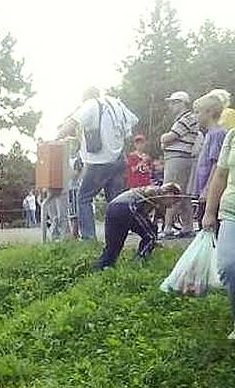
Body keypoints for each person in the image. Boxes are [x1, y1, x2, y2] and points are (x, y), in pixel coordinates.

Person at [57, 87, 139, 241]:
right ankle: (117, 238)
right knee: (115, 201)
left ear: (86, 97)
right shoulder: (116, 103)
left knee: (83, 197)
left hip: (100, 160)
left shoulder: (91, 105)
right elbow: (134, 120)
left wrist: (55, 139)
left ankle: (89, 238)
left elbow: (71, 123)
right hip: (119, 158)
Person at [96, 183, 182, 270]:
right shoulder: (155, 192)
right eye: (174, 201)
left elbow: (151, 223)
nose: (172, 206)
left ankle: (102, 266)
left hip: (113, 207)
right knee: (150, 237)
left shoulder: (152, 196)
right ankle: (138, 262)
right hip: (127, 206)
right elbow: (149, 196)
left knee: (114, 244)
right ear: (170, 194)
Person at [202, 128, 235, 338]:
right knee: (228, 266)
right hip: (231, 211)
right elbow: (220, 174)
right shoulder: (232, 135)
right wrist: (209, 212)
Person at [161, 90, 200, 238]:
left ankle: (168, 228)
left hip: (178, 157)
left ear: (181, 103)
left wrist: (163, 138)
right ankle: (187, 227)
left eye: (173, 102)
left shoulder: (187, 118)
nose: (170, 105)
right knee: (183, 194)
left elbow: (169, 137)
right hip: (179, 157)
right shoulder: (183, 119)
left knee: (171, 192)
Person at [193, 92, 227, 226]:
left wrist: (207, 189)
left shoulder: (217, 134)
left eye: (197, 112)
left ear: (209, 112)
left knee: (208, 226)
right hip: (203, 189)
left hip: (211, 193)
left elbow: (216, 164)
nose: (195, 116)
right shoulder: (208, 134)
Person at [67, 157, 83, 239]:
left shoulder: (77, 160)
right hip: (67, 189)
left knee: (75, 213)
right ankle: (74, 234)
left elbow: (76, 174)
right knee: (70, 213)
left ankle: (75, 235)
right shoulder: (65, 160)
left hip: (74, 188)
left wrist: (67, 170)